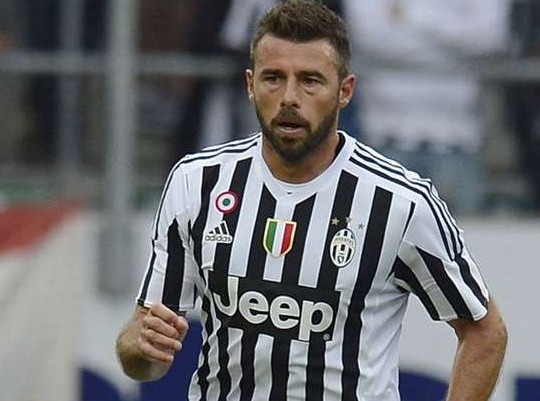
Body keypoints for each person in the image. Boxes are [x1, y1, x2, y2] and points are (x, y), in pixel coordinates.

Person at [115, 2, 507, 400]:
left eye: (310, 81)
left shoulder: (399, 202)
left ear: (345, 91)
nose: (289, 97)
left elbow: (484, 331)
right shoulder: (198, 182)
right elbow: (143, 351)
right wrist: (140, 346)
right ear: (250, 84)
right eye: (273, 78)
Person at [344, 0, 510, 214]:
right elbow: (369, 38)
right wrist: (454, 48)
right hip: (385, 137)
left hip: (459, 140)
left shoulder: (407, 12)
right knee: (378, 231)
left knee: (461, 234)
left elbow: (489, 38)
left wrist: (411, 15)